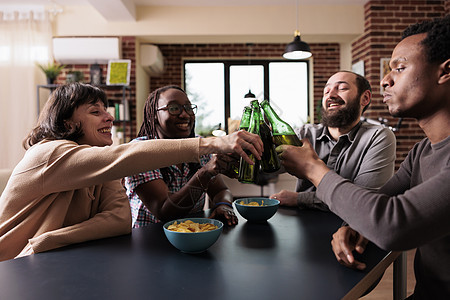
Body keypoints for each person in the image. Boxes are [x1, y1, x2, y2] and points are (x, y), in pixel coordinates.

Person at [276, 16, 449, 299]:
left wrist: (313, 169)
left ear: (445, 72)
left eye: (400, 68)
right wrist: (352, 226)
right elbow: (376, 202)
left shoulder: (383, 138)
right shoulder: (422, 152)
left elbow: (392, 224)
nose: (385, 80)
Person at [0, 83, 263, 262]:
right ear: (67, 122)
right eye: (95, 112)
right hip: (13, 267)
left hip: (53, 259)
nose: (109, 118)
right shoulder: (48, 154)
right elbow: (129, 156)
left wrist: (46, 241)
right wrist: (214, 142)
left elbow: (117, 220)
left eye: (106, 110)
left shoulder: (102, 167)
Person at [270, 71, 396, 210]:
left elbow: (365, 200)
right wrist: (250, 147)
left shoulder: (378, 137)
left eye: (342, 88)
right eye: (326, 91)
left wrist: (299, 198)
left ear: (365, 98)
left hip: (353, 227)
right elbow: (267, 167)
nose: (331, 95)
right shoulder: (305, 134)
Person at [124, 85, 239, 227]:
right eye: (173, 108)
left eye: (188, 108)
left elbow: (221, 191)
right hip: (149, 239)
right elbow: (164, 211)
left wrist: (223, 205)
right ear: (154, 114)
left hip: (193, 236)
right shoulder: (140, 151)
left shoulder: (198, 146)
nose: (184, 114)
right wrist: (205, 173)